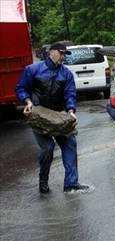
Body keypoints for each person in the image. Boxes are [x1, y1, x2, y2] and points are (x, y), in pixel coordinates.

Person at [15, 42, 90, 194]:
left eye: (64, 54)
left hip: (58, 117)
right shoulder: (33, 69)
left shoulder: (66, 73)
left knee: (70, 144)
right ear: (52, 52)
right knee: (48, 148)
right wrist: (27, 101)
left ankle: (71, 184)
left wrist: (71, 110)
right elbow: (21, 88)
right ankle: (43, 180)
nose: (63, 57)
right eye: (61, 53)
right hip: (39, 117)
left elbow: (70, 93)